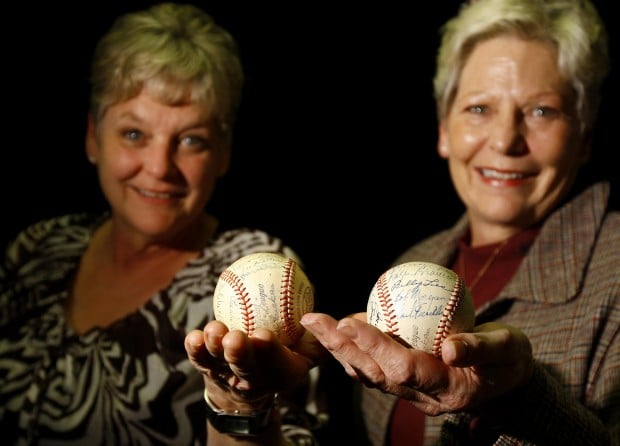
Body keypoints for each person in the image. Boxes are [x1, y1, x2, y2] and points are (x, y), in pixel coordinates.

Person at [0, 3, 326, 445]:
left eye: (191, 140)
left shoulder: (256, 270)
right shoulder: (40, 248)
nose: (159, 167)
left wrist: (240, 407)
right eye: (134, 134)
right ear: (94, 138)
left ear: (224, 154)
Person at [300, 0, 619, 444]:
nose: (506, 140)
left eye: (542, 111)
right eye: (479, 109)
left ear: (583, 137)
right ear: (444, 130)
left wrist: (521, 402)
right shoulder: (415, 262)